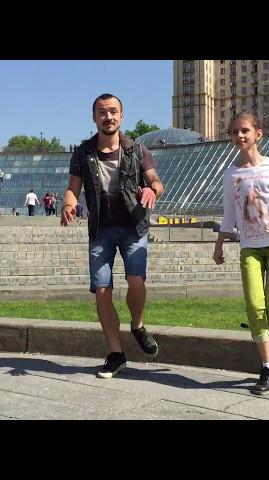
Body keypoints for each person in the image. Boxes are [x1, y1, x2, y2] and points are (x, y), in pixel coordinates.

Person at [61, 93, 165, 379]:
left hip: (134, 226)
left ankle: (138, 324)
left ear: (122, 116)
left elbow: (157, 182)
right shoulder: (83, 152)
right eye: (102, 112)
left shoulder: (137, 150)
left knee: (136, 282)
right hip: (100, 230)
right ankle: (116, 353)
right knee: (102, 291)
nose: (108, 117)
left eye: (113, 112)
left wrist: (150, 189)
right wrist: (69, 203)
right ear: (94, 118)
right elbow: (73, 188)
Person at [213, 113, 269, 395]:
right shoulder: (231, 173)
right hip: (249, 244)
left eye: (245, 131)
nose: (239, 136)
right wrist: (219, 244)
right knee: (253, 304)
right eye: (234, 132)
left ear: (258, 134)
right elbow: (229, 213)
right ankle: (267, 366)